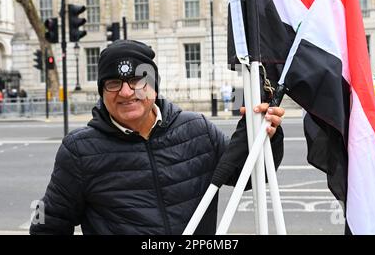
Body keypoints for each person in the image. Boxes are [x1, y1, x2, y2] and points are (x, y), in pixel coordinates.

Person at [30, 40, 285, 235]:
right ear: (102, 91)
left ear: (153, 84)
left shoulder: (197, 129)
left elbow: (250, 175)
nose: (127, 92)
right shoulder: (79, 150)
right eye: (113, 83)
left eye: (137, 80)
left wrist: (268, 136)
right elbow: (47, 224)